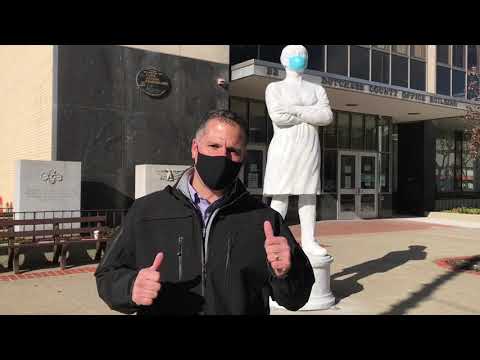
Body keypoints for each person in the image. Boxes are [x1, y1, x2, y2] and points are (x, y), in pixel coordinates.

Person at [95, 109, 314, 315]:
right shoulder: (146, 211)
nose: (223, 156)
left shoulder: (265, 220)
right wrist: (130, 287)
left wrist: (287, 273)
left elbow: (296, 298)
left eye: (233, 151)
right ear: (195, 149)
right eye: (214, 146)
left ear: (243, 158)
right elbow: (107, 274)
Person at [263, 45, 333, 257]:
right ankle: (272, 237)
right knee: (280, 195)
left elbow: (326, 117)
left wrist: (294, 109)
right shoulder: (275, 88)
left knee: (308, 193)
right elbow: (278, 116)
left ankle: (309, 240)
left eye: (303, 55)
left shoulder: (317, 89)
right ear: (284, 60)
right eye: (295, 55)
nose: (300, 58)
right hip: (284, 147)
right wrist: (310, 113)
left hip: (309, 148)